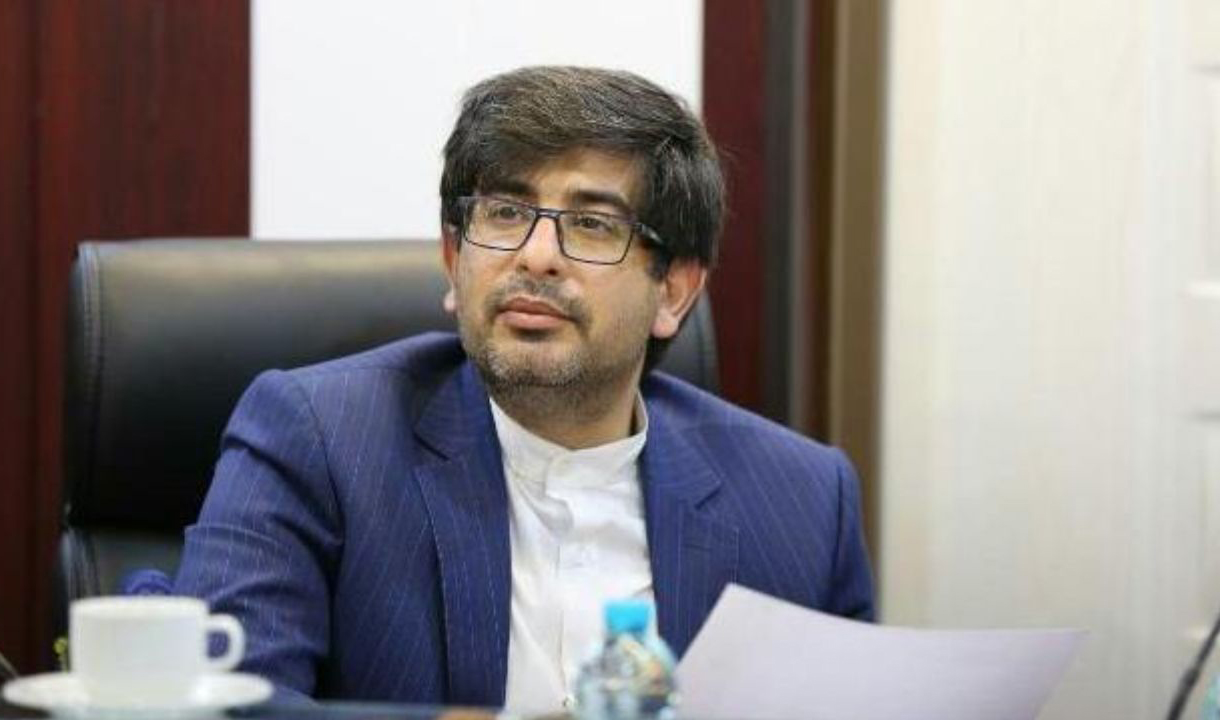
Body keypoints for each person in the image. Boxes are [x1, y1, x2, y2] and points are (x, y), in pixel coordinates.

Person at [174, 66, 874, 713]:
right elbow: (218, 706)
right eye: (506, 213)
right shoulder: (318, 439)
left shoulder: (803, 500)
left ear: (674, 292)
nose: (536, 257)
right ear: (453, 260)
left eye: (593, 224)